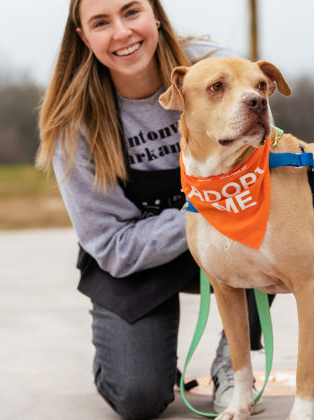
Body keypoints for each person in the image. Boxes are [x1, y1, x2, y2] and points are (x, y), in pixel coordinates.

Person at [36, 1, 274, 419]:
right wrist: (203, 208)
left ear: (155, 14)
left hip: (226, 239)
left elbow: (266, 169)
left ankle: (234, 368)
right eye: (101, 23)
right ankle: (127, 360)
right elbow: (110, 246)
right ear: (84, 37)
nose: (122, 32)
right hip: (134, 261)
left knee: (264, 236)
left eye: (132, 12)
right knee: (140, 397)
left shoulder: (216, 70)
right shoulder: (73, 124)